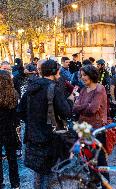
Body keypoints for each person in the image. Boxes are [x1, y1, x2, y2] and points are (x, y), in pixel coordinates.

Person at [18, 60, 73, 188]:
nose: (59, 74)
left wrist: (33, 122)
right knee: (51, 176)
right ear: (54, 72)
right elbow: (66, 112)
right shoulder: (53, 88)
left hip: (33, 136)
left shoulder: (31, 86)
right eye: (58, 71)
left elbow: (20, 110)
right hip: (50, 138)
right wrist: (70, 100)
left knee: (37, 175)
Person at [73, 65, 110, 186]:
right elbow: (75, 107)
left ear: (92, 75)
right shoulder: (83, 90)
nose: (82, 78)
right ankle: (95, 182)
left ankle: (105, 185)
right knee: (88, 159)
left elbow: (93, 109)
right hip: (83, 127)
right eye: (81, 75)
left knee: (100, 160)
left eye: (85, 75)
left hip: (97, 128)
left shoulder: (99, 89)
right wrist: (85, 106)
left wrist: (81, 107)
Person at [0, 70, 20, 189]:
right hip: (10, 129)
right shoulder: (14, 94)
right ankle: (15, 183)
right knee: (12, 159)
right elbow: (16, 115)